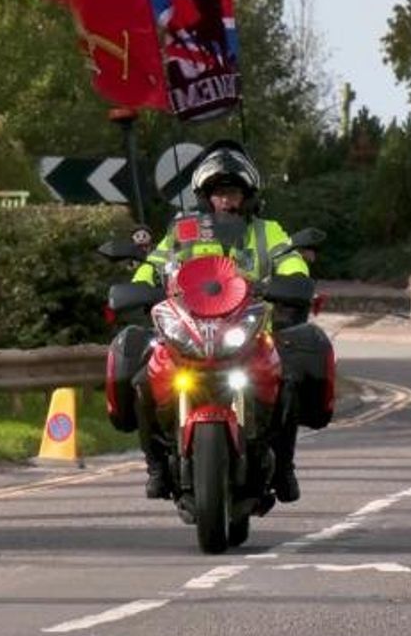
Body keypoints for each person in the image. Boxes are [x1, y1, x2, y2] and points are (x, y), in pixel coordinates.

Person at [131, 140, 310, 503]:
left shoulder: (267, 230)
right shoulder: (184, 231)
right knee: (141, 380)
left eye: (233, 192)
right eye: (218, 193)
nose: (226, 201)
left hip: (250, 333)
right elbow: (156, 263)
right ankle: (155, 466)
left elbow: (290, 260)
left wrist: (291, 278)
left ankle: (286, 467)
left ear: (248, 196)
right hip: (190, 331)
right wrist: (139, 285)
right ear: (204, 197)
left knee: (288, 381)